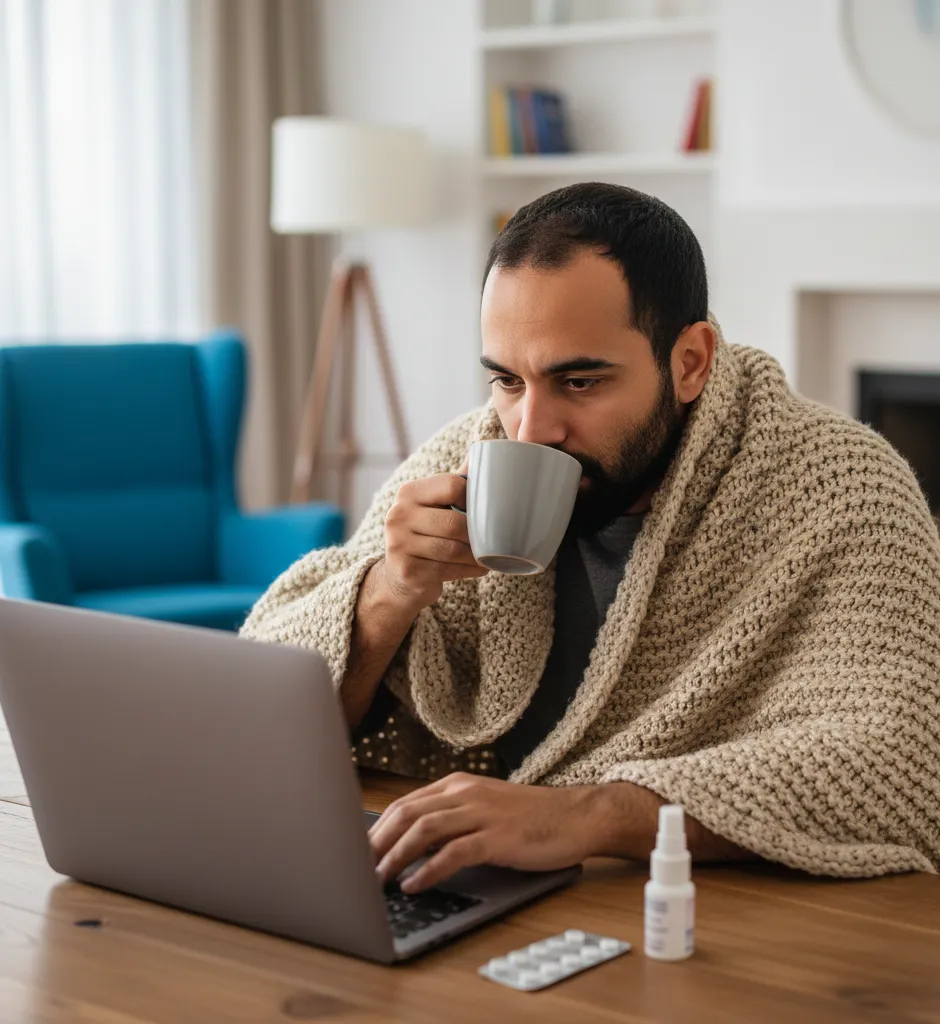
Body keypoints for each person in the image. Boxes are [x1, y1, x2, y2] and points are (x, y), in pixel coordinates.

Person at [242, 183, 940, 894]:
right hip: (452, 886)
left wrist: (587, 816)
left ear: (691, 361)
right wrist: (387, 595)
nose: (530, 429)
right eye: (507, 380)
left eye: (578, 381)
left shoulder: (840, 484)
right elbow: (252, 716)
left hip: (698, 922)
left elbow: (908, 761)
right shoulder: (466, 454)